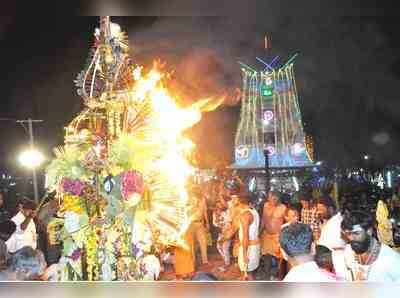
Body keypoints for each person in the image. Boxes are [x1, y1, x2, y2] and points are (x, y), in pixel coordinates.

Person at [342, 210, 400, 281]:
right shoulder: (348, 252)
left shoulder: (392, 259)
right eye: (348, 234)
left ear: (369, 231)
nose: (351, 238)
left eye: (356, 233)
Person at [220, 192, 261, 280]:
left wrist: (245, 254)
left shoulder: (245, 215)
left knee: (248, 274)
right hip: (253, 246)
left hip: (249, 248)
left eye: (235, 200)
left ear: (239, 203)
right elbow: (235, 228)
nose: (232, 202)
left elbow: (246, 236)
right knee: (247, 273)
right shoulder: (253, 210)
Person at [261, 191, 287, 280]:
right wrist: (259, 233)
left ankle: (278, 277)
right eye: (270, 198)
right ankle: (267, 275)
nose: (271, 200)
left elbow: (287, 221)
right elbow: (263, 220)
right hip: (266, 235)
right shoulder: (266, 205)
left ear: (278, 198)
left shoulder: (283, 208)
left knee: (278, 258)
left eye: (274, 199)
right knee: (266, 256)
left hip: (277, 236)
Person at [189, 188, 210, 267]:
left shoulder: (203, 199)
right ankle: (193, 261)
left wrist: (207, 223)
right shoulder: (189, 199)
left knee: (203, 242)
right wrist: (194, 204)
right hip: (191, 224)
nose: (197, 191)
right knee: (192, 244)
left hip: (200, 223)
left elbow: (205, 211)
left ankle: (205, 261)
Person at [212, 201, 231, 271]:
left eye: (220, 205)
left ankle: (227, 263)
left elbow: (229, 222)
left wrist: (225, 228)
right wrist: (218, 223)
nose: (218, 206)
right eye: (217, 205)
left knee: (225, 247)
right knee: (219, 246)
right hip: (221, 232)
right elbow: (214, 223)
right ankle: (226, 259)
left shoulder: (226, 212)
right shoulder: (215, 214)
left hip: (228, 232)